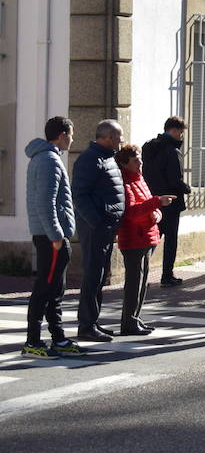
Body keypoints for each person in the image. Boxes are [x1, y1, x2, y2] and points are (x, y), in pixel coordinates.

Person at [21, 117, 83, 358]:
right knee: (45, 289)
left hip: (51, 235)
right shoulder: (49, 160)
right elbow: (44, 202)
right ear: (62, 134)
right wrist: (56, 235)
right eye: (71, 133)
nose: (73, 138)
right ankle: (33, 342)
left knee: (56, 289)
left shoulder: (47, 158)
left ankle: (58, 338)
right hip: (51, 238)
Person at [113, 144, 176, 336]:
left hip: (146, 236)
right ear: (125, 164)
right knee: (134, 282)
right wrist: (157, 203)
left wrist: (157, 213)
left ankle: (134, 319)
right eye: (135, 160)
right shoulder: (125, 183)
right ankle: (129, 321)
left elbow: (147, 206)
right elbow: (131, 212)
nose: (140, 162)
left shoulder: (139, 179)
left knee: (142, 281)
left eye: (140, 158)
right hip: (134, 239)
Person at [72, 119, 125, 342]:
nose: (121, 141)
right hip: (96, 228)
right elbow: (80, 195)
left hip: (106, 226)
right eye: (118, 137)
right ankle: (86, 324)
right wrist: (97, 222)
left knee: (100, 276)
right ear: (107, 138)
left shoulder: (107, 158)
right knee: (93, 276)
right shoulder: (90, 159)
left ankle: (93, 322)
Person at [141, 116, 192, 286]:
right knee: (170, 240)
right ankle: (167, 274)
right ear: (174, 131)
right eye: (181, 132)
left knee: (153, 237)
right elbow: (174, 179)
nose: (182, 136)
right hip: (170, 200)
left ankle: (140, 269)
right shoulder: (172, 151)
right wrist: (186, 187)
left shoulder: (149, 147)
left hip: (153, 199)